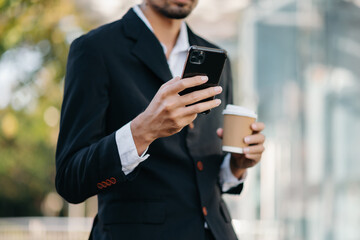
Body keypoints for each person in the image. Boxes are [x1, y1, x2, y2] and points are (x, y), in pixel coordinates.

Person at [55, 0, 265, 239]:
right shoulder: (95, 49)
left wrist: (236, 165)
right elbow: (70, 180)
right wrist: (141, 131)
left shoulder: (217, 58)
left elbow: (204, 174)